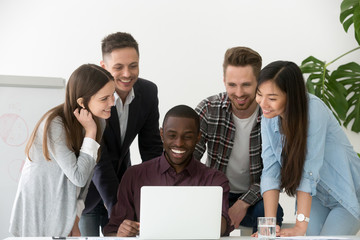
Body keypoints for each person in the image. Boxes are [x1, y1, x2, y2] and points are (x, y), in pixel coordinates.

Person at [9, 64, 115, 237]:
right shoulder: (55, 124)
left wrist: (75, 219)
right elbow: (78, 176)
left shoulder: (98, 122)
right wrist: (90, 132)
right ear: (82, 102)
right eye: (104, 98)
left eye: (113, 95)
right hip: (38, 210)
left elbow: (87, 178)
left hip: (64, 210)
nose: (112, 102)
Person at [256, 60, 360, 236]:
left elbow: (308, 171)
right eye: (259, 94)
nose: (263, 103)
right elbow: (270, 171)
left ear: (291, 96)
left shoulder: (314, 110)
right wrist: (268, 227)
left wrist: (300, 226)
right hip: (317, 196)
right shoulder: (269, 116)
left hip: (346, 193)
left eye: (272, 98)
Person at [103, 105, 232, 237]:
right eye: (172, 135)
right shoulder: (134, 175)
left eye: (187, 137)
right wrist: (121, 233)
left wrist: (212, 223)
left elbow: (222, 228)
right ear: (162, 134)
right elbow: (112, 232)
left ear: (198, 137)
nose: (179, 143)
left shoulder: (215, 180)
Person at [79, 32, 163, 236]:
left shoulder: (148, 92)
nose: (127, 74)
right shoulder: (92, 97)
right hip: (87, 189)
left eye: (133, 65)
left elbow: (151, 149)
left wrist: (158, 197)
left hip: (122, 185)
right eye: (118, 67)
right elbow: (100, 160)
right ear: (103, 66)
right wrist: (120, 211)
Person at [194, 46, 283, 233]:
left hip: (256, 195)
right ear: (224, 81)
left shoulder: (273, 115)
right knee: (199, 220)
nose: (239, 93)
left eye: (246, 85)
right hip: (214, 193)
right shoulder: (209, 109)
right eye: (232, 85)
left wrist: (243, 203)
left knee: (273, 213)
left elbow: (276, 172)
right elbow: (189, 160)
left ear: (259, 82)